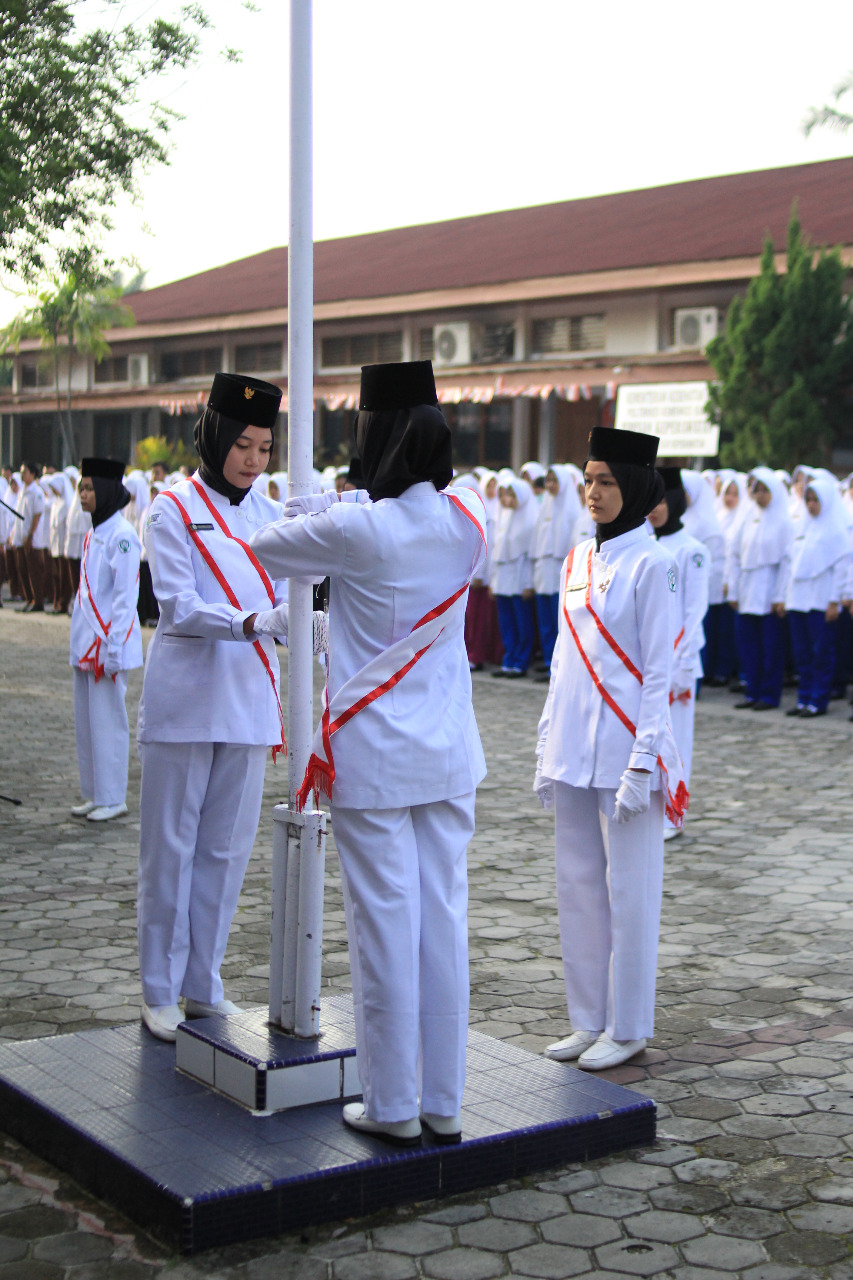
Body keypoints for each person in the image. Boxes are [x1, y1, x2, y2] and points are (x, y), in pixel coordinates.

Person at [251, 360, 487, 1148]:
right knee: (442, 923)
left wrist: (329, 501)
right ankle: (443, 1102)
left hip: (376, 757)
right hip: (449, 753)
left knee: (384, 927)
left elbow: (266, 545)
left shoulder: (360, 528)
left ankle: (391, 1104)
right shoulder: (467, 520)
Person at [136, 374, 291, 1043]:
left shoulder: (269, 513)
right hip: (187, 700)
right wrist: (257, 620)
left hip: (250, 699)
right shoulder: (171, 507)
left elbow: (293, 594)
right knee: (169, 848)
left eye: (263, 447)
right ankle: (157, 988)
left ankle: (204, 981)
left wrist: (299, 621)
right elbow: (177, 606)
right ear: (215, 437)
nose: (253, 460)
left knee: (226, 852)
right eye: (243, 445)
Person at [535, 427, 686, 1072]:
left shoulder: (654, 563)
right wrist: (547, 743)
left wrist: (644, 761)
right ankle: (586, 1019)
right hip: (574, 749)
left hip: (628, 750)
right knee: (577, 889)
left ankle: (628, 1026)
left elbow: (660, 673)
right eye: (588, 480)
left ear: (636, 489)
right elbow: (564, 660)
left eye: (607, 481)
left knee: (630, 894)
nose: (593, 493)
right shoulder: (576, 561)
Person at [69, 458, 142, 823]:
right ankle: (95, 793)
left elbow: (125, 600)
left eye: (89, 488)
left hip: (108, 643)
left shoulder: (123, 535)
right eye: (81, 488)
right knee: (87, 723)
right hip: (86, 641)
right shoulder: (93, 532)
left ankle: (114, 797)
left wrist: (112, 648)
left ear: (107, 491)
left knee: (109, 721)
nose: (82, 495)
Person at [647, 468, 709, 840]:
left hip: (679, 661)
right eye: (650, 501)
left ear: (677, 502)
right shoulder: (646, 546)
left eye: (662, 501)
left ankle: (674, 814)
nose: (655, 509)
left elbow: (694, 611)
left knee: (677, 742)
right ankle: (652, 809)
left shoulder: (693, 551)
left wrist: (684, 663)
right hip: (649, 661)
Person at [783, 475, 852, 718]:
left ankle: (818, 700)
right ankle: (803, 698)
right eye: (808, 499)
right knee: (802, 654)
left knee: (821, 653)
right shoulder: (802, 526)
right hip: (798, 600)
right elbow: (790, 565)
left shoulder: (837, 532)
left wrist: (834, 600)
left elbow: (842, 570)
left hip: (821, 602)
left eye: (816, 500)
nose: (811, 504)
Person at [727, 468, 793, 711]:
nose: (761, 495)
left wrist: (780, 596)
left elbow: (787, 561)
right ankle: (752, 691)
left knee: (771, 648)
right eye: (757, 490)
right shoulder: (747, 517)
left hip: (769, 593)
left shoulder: (784, 521)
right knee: (748, 646)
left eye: (766, 490)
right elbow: (734, 554)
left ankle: (769, 695)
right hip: (747, 591)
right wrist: (733, 590)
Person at [17, 461, 47, 612]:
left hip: (33, 539)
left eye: (25, 472)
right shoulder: (23, 491)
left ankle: (38, 601)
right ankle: (30, 599)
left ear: (32, 474)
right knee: (24, 569)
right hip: (22, 537)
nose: (22, 475)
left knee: (35, 571)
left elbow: (37, 515)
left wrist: (30, 535)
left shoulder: (37, 492)